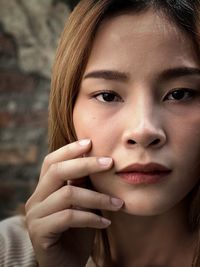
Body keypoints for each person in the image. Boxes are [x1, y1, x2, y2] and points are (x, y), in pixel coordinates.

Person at [1, 0, 200, 266]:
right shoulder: (7, 249)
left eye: (179, 94)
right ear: (67, 108)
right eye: (108, 95)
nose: (142, 131)